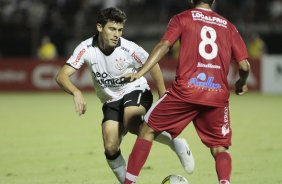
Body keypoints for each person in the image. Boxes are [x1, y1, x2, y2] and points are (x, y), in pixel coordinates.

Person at [55, 7, 195, 184]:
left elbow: (153, 65)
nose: (116, 34)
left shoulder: (129, 48)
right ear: (100, 27)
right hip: (111, 100)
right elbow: (61, 76)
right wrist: (76, 92)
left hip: (135, 89)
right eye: (112, 29)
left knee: (131, 121)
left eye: (120, 30)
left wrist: (162, 94)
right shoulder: (86, 48)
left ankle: (176, 143)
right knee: (111, 146)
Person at [123, 0, 250, 184]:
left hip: (186, 91)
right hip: (217, 95)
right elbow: (244, 66)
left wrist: (141, 72)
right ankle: (224, 182)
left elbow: (164, 46)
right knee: (220, 148)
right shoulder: (229, 26)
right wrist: (241, 82)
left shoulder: (182, 18)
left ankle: (129, 182)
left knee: (147, 130)